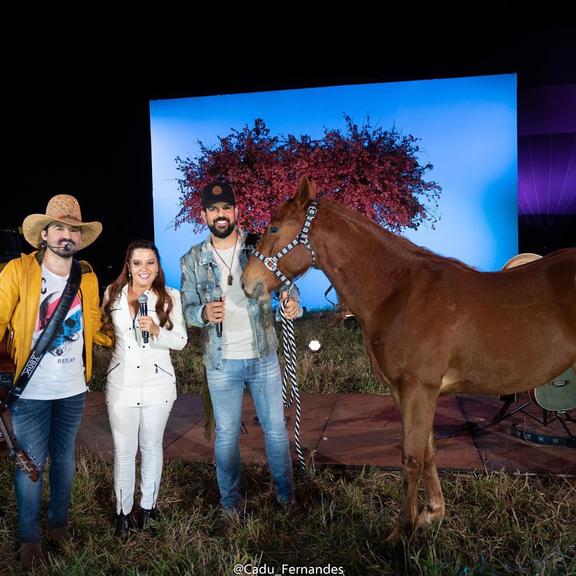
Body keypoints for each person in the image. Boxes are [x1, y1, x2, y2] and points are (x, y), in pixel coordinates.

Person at [0, 194, 109, 570]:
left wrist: (129, 324)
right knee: (30, 464)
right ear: (44, 235)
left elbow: (94, 325)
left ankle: (59, 525)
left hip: (73, 388)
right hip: (30, 390)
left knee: (63, 460)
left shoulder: (88, 278)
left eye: (73, 229)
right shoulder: (18, 272)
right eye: (59, 228)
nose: (67, 235)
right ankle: (30, 539)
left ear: (79, 238)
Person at [180, 179, 301, 516]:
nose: (221, 215)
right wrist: (203, 312)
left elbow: (286, 285)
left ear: (236, 211)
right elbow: (188, 309)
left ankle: (286, 497)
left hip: (263, 357)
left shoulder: (257, 246)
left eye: (226, 208)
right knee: (227, 436)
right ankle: (231, 505)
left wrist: (292, 303)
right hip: (221, 363)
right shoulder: (192, 259)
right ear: (204, 215)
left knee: (276, 430)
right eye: (214, 210)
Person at [101, 240, 187, 536]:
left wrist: (156, 330)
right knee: (124, 451)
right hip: (121, 385)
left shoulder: (170, 297)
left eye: (150, 263)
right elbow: (103, 332)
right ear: (128, 266)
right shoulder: (112, 294)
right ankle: (122, 514)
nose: (144, 269)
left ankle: (148, 509)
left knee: (151, 447)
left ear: (158, 266)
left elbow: (181, 341)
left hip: (157, 384)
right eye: (138, 263)